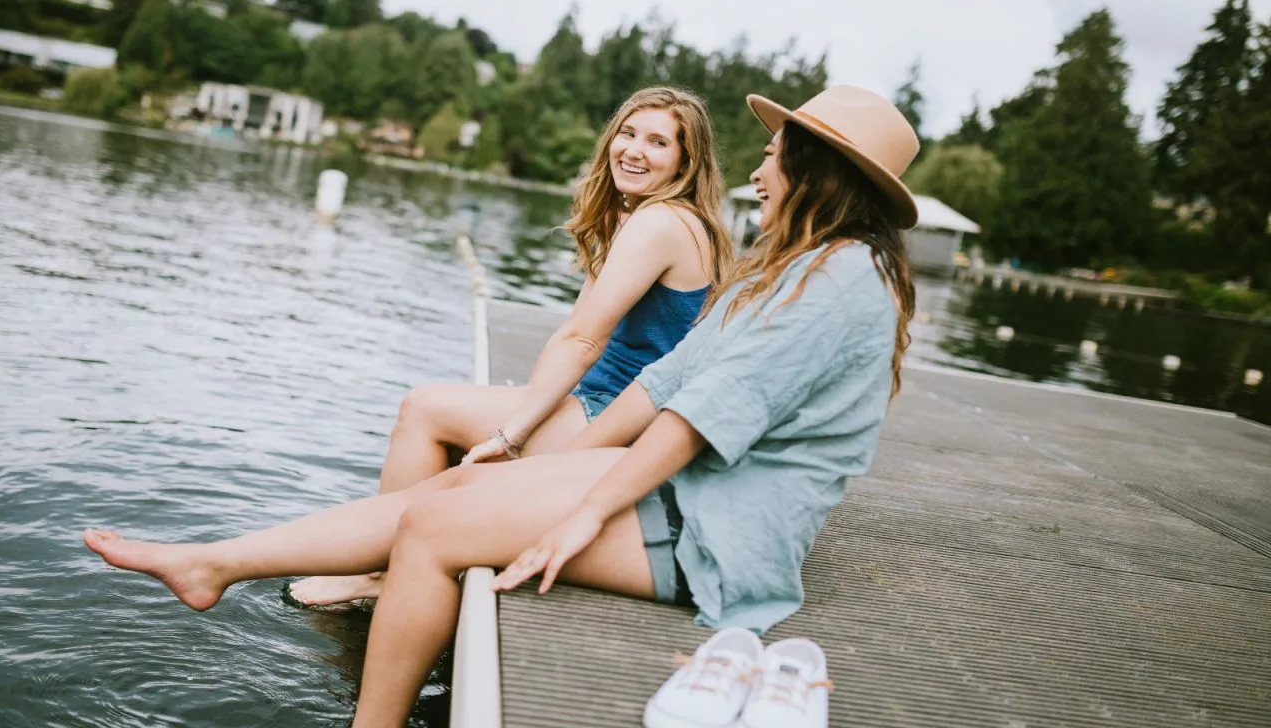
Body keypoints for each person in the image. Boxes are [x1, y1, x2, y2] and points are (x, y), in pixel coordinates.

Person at [84, 84, 920, 728]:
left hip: (719, 533)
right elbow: (666, 381)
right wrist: (547, 465)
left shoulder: (838, 284)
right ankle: (216, 563)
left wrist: (581, 512)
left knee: (434, 527)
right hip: (690, 490)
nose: (756, 173)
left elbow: (698, 418)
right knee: (459, 488)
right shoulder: (798, 267)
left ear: (817, 169)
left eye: (772, 156)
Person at [285, 86, 734, 609]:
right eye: (627, 133)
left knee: (424, 411)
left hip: (615, 417)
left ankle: (378, 574)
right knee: (444, 421)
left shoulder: (660, 222)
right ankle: (394, 563)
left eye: (658, 142)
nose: (634, 150)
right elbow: (586, 327)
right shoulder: (665, 218)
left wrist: (512, 432)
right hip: (616, 405)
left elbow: (583, 340)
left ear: (686, 162)